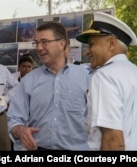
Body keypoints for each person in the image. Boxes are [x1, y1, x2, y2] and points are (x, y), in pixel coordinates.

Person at [7, 22, 90, 151]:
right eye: (36, 43)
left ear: (61, 44)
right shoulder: (28, 81)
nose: (39, 48)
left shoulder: (86, 77)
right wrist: (21, 130)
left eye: (44, 42)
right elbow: (14, 119)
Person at [76, 12, 137, 150]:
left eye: (91, 45)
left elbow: (113, 141)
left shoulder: (104, 76)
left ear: (111, 44)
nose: (87, 52)